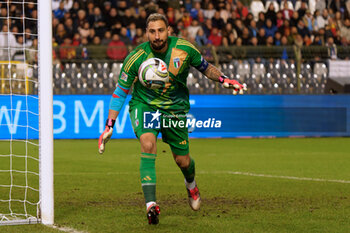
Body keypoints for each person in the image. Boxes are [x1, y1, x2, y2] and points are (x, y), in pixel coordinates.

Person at [98, 13, 246, 225]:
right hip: (145, 105)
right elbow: (120, 91)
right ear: (146, 33)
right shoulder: (136, 57)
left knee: (182, 161)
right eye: (152, 32)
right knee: (147, 144)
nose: (157, 36)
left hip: (175, 109)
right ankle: (151, 205)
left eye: (160, 30)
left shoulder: (184, 49)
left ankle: (191, 184)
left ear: (168, 31)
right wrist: (109, 125)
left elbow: (206, 68)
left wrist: (224, 80)